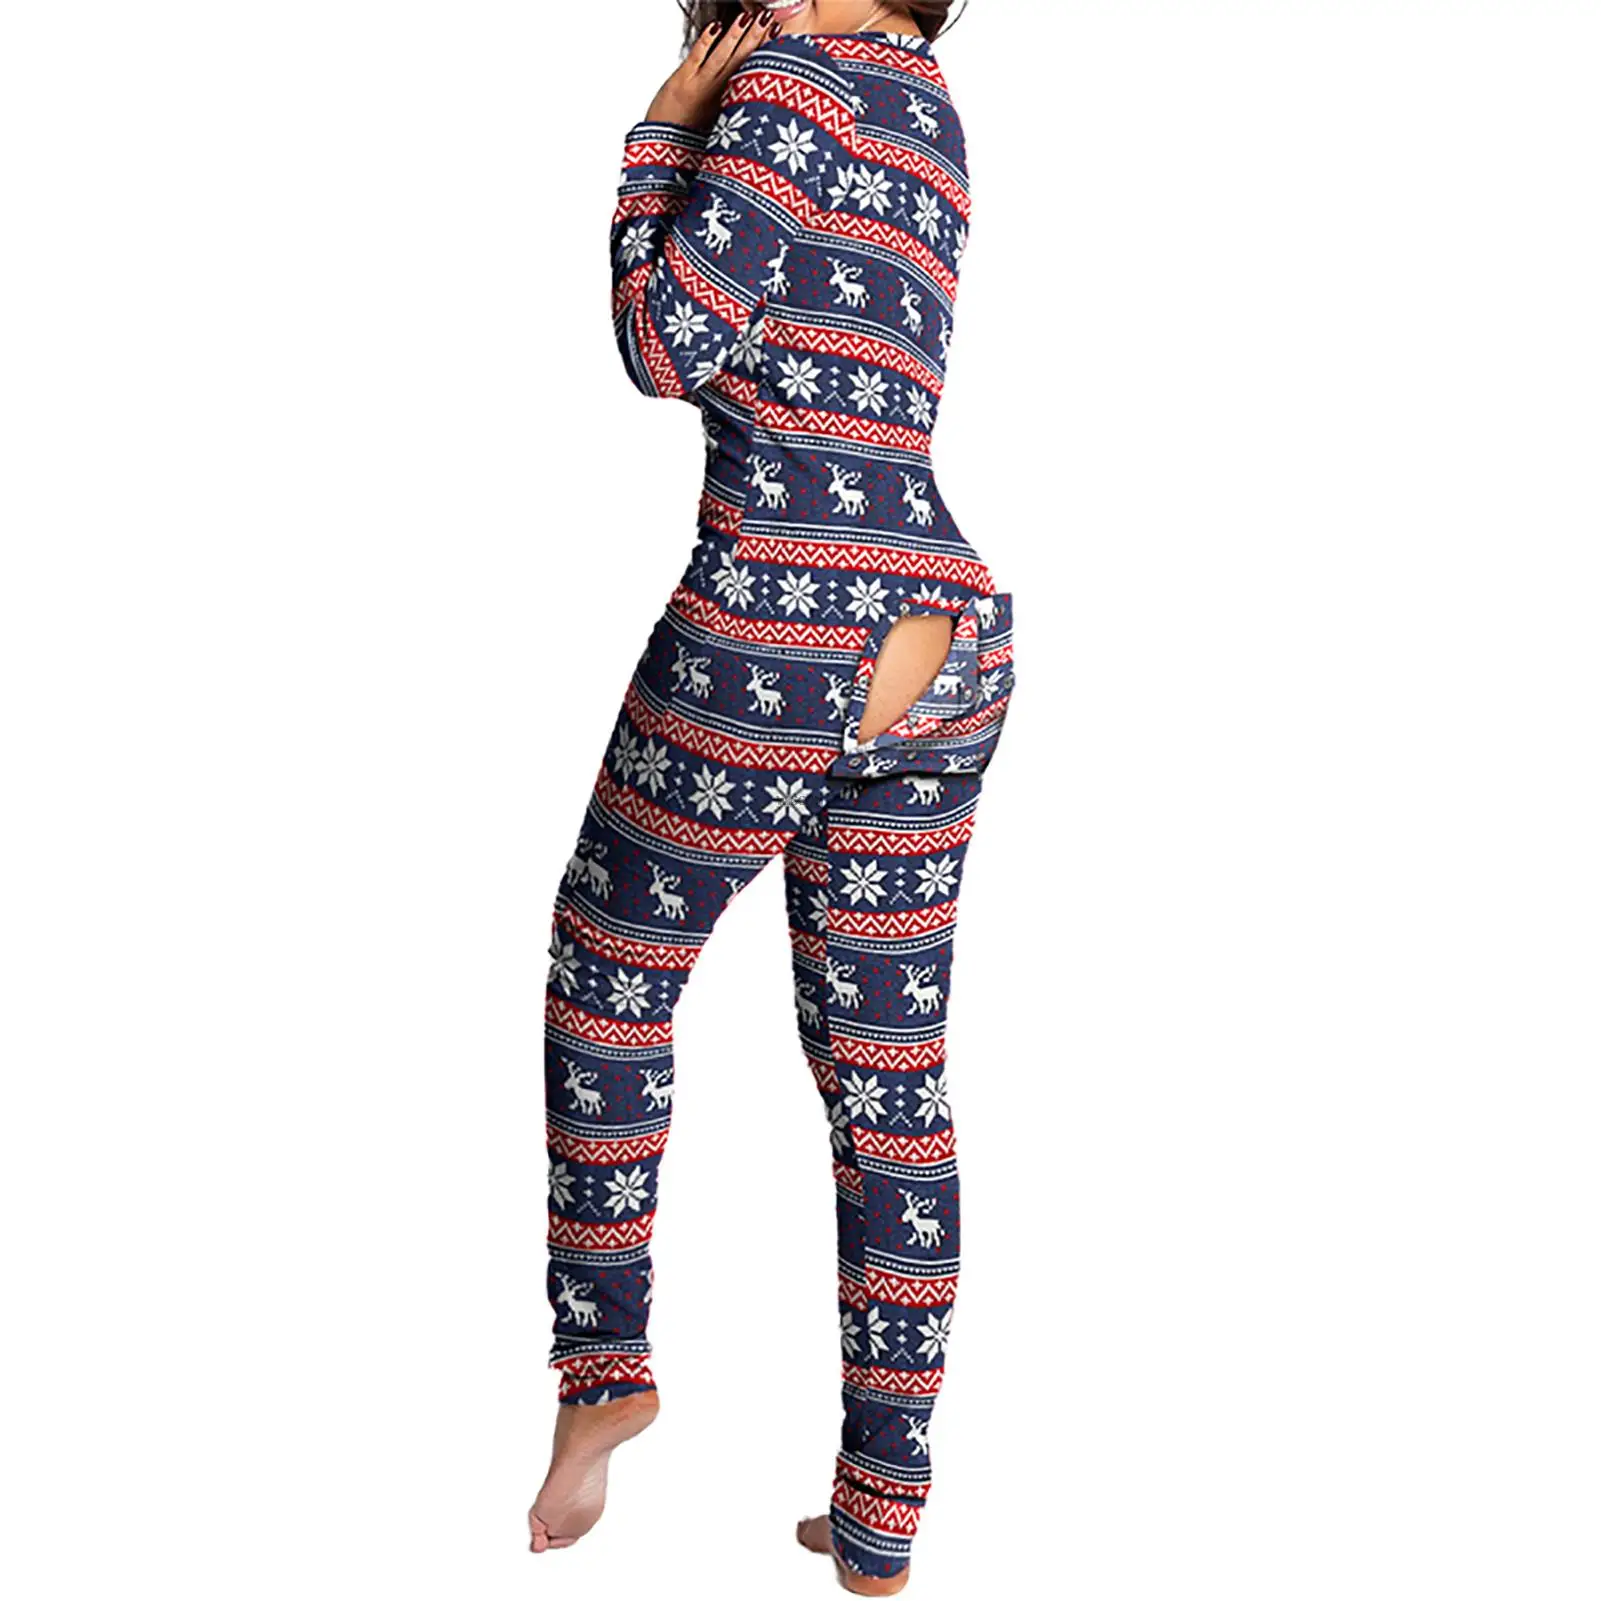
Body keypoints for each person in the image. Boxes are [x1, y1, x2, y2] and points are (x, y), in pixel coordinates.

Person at [527, 3, 1015, 1591]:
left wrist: (665, 129)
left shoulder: (795, 80)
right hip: (947, 625)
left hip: (784, 620)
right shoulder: (930, 105)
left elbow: (665, 344)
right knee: (890, 1081)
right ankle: (880, 1517)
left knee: (609, 974)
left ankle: (605, 1376)